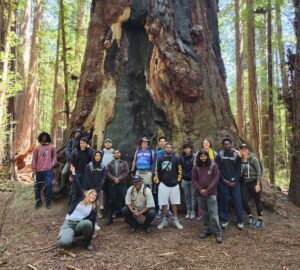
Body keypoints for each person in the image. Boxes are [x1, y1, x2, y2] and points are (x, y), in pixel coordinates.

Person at [58, 166, 97, 251]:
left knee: (88, 223)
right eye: (92, 194)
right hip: (69, 224)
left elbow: (93, 222)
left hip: (79, 226)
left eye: (95, 196)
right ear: (88, 194)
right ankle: (65, 235)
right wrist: (74, 173)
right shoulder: (80, 197)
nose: (94, 196)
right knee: (65, 244)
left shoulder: (93, 208)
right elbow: (77, 185)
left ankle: (86, 243)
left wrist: (91, 234)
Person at [192, 150, 222, 244]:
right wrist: (200, 189)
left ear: (207, 156)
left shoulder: (213, 166)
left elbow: (215, 179)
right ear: (199, 157)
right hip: (200, 193)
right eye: (201, 156)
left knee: (213, 212)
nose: (203, 158)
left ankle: (218, 233)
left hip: (211, 193)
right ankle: (207, 230)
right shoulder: (196, 167)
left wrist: (208, 190)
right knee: (205, 213)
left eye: (205, 156)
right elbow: (194, 180)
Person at [215, 138, 244, 230]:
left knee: (238, 201)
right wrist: (224, 180)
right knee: (224, 201)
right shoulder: (220, 155)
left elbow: (239, 169)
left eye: (228, 144)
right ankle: (224, 220)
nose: (227, 145)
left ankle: (240, 221)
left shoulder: (236, 155)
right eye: (225, 144)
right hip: (223, 182)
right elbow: (217, 169)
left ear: (231, 144)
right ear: (223, 146)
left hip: (235, 182)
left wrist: (235, 180)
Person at [155, 144, 183, 230]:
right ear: (165, 149)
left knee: (174, 203)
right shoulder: (160, 159)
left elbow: (180, 170)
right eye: (167, 147)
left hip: (174, 184)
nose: (168, 148)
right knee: (164, 203)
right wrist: (158, 181)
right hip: (163, 183)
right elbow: (157, 171)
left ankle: (175, 220)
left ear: (172, 149)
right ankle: (164, 220)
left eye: (170, 147)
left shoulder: (176, 159)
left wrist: (178, 181)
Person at [61, 126, 94, 193]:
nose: (77, 134)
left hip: (80, 161)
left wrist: (91, 129)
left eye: (79, 133)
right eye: (76, 132)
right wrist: (70, 158)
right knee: (64, 173)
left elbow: (89, 137)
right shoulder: (71, 140)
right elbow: (67, 150)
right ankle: (62, 187)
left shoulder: (82, 141)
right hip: (71, 160)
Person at [239, 144, 264, 229]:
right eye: (242, 149)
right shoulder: (241, 160)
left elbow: (259, 172)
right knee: (243, 200)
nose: (243, 150)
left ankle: (260, 220)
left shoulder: (253, 159)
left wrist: (258, 184)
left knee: (257, 201)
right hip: (246, 183)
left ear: (248, 150)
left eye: (245, 149)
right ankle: (250, 216)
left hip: (254, 182)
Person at [32, 132, 57, 209]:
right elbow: (34, 159)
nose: (44, 138)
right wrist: (34, 169)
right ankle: (38, 202)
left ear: (48, 138)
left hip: (48, 171)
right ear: (40, 138)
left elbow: (54, 158)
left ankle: (48, 202)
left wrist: (51, 165)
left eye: (45, 136)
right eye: (42, 136)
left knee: (49, 185)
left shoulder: (52, 147)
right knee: (37, 186)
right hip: (38, 171)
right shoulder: (37, 148)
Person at [106, 149, 129, 225]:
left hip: (122, 184)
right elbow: (107, 173)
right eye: (115, 153)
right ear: (113, 155)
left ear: (120, 154)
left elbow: (126, 173)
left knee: (126, 200)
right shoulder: (109, 164)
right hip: (112, 185)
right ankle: (110, 218)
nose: (116, 154)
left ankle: (127, 218)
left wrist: (119, 179)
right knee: (112, 201)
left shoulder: (124, 163)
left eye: (118, 153)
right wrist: (114, 179)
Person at [84, 151, 106, 231]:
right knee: (89, 205)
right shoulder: (89, 166)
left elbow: (103, 178)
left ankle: (95, 223)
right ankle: (87, 221)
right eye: (96, 155)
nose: (97, 157)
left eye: (99, 156)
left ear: (101, 157)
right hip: (90, 190)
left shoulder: (103, 166)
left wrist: (97, 188)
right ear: (94, 156)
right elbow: (87, 178)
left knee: (97, 206)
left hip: (98, 190)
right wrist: (93, 189)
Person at [153, 136, 174, 219]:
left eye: (163, 141)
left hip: (168, 175)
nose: (162, 143)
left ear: (166, 142)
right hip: (159, 175)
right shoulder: (156, 152)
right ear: (159, 143)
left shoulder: (170, 152)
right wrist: (154, 174)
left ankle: (168, 210)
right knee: (160, 193)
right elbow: (154, 163)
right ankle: (160, 210)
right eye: (160, 141)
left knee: (168, 193)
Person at [70, 137, 94, 206]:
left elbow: (92, 157)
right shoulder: (75, 151)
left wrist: (89, 148)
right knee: (75, 190)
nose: (82, 144)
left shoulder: (89, 151)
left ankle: (81, 206)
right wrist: (71, 174)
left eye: (84, 143)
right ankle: (72, 207)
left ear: (86, 144)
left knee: (83, 190)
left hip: (85, 174)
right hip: (77, 173)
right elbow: (72, 163)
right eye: (81, 143)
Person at [180, 143, 197, 219]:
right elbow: (180, 168)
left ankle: (193, 211)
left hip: (193, 179)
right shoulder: (182, 157)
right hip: (184, 179)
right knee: (187, 196)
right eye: (186, 148)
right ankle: (188, 211)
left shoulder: (194, 156)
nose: (187, 149)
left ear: (191, 149)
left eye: (189, 148)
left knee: (193, 196)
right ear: (184, 149)